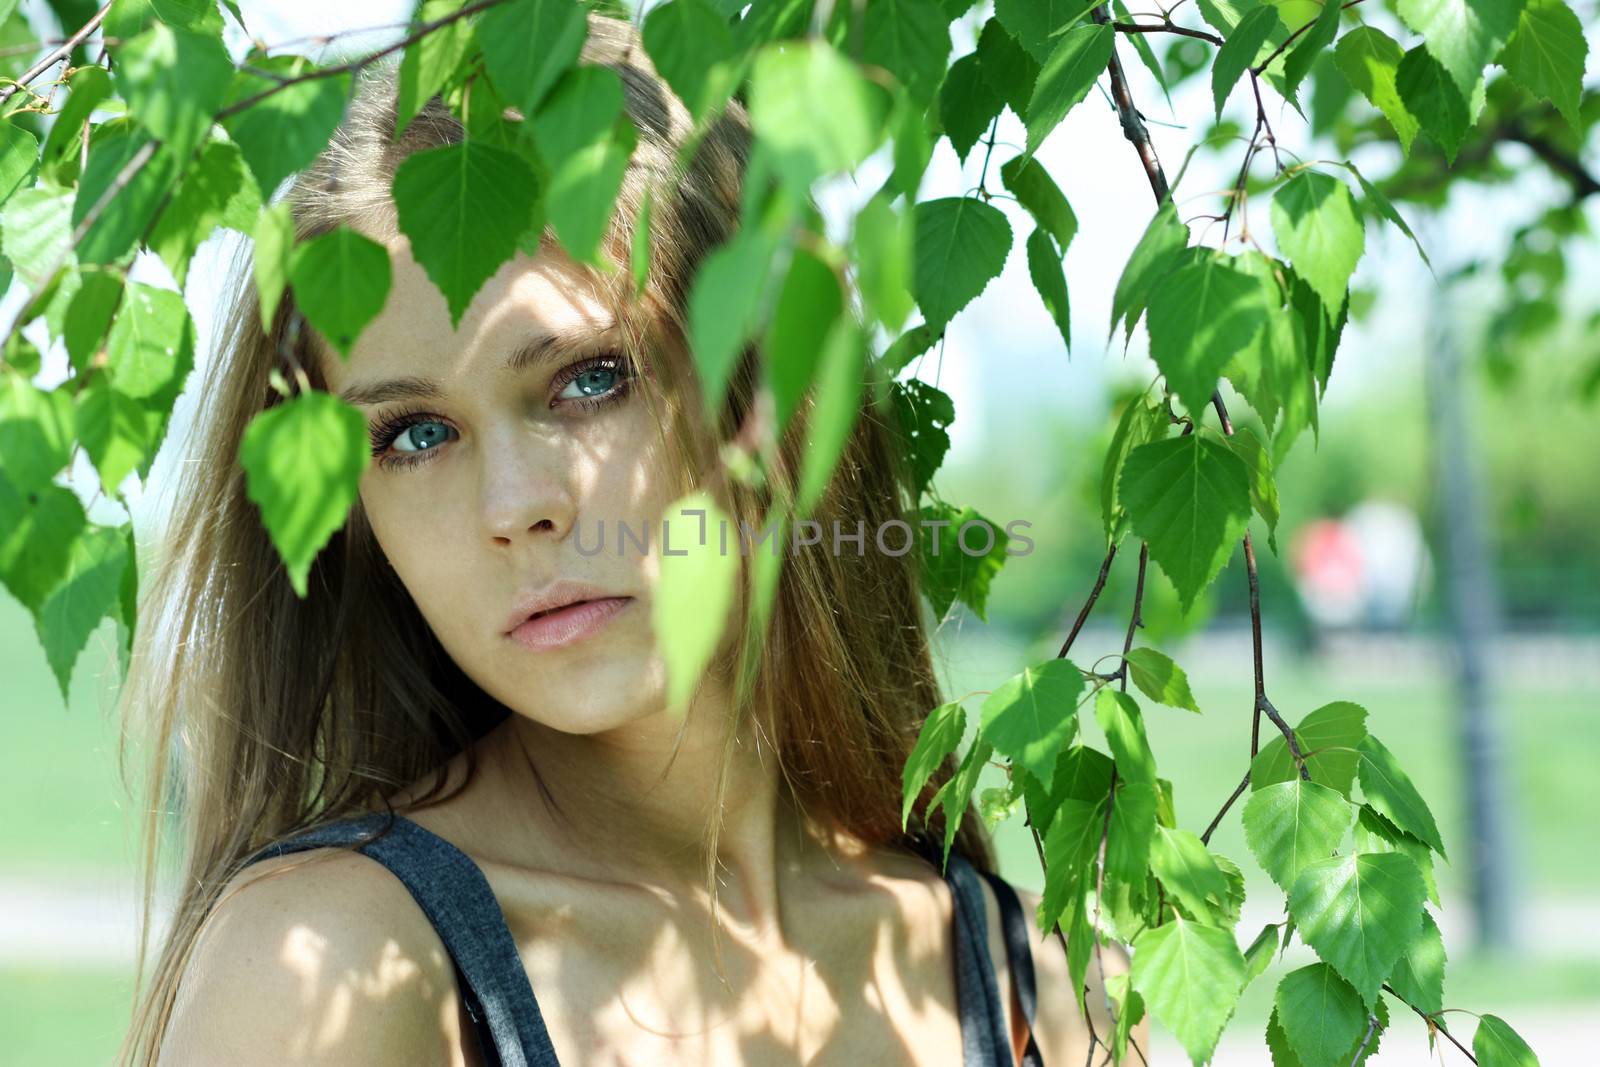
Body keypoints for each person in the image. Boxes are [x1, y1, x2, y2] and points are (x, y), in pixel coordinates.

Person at [117, 13, 1136, 1066]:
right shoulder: (331, 964)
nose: (513, 505)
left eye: (588, 377)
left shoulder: (1052, 989)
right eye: (414, 434)